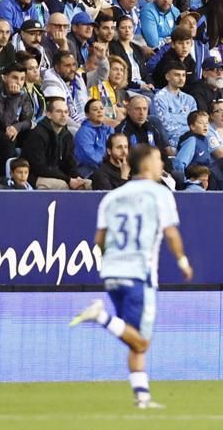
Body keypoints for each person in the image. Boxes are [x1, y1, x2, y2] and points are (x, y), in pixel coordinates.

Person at [68, 144, 193, 410]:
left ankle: (142, 397)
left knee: (133, 340)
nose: (162, 165)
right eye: (159, 159)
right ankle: (99, 316)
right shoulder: (160, 194)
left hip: (112, 272)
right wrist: (183, 262)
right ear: (146, 164)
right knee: (142, 341)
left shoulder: (112, 197)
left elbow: (99, 240)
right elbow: (170, 233)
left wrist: (112, 261)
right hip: (139, 273)